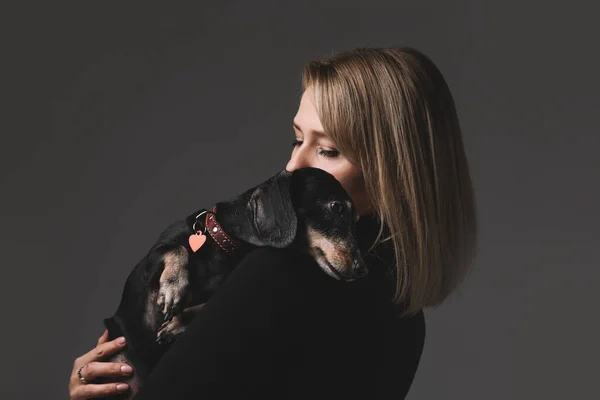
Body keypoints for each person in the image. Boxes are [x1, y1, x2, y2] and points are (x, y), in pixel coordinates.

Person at [69, 46, 477, 399]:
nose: (292, 167)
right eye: (298, 139)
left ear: (396, 173)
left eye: (329, 150)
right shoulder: (404, 313)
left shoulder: (284, 271)